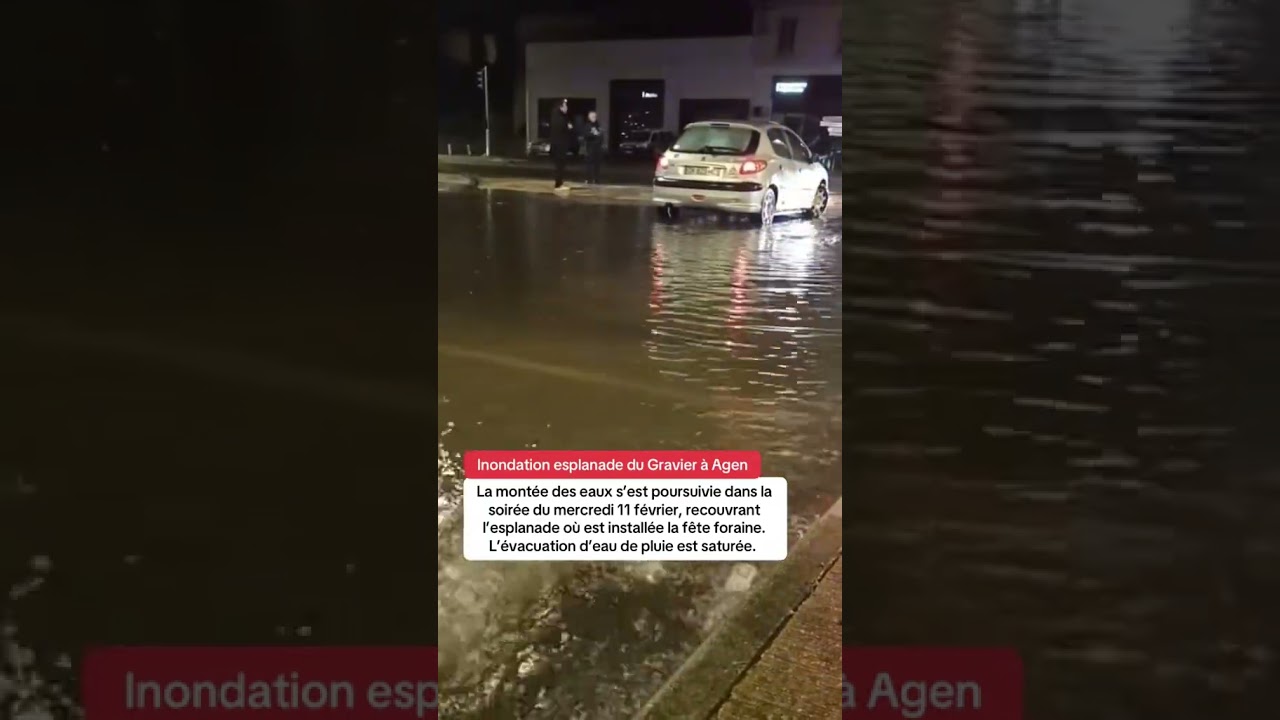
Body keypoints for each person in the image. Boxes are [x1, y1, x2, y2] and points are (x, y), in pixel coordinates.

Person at [549, 99, 573, 191]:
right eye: (565, 106)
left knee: (560, 165)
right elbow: (561, 128)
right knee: (559, 165)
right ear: (561, 107)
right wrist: (568, 127)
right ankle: (558, 185)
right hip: (559, 146)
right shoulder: (558, 117)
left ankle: (559, 183)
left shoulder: (559, 116)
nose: (567, 108)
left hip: (559, 145)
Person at [581, 110, 604, 185]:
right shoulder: (587, 125)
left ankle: (596, 179)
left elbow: (601, 135)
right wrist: (594, 134)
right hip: (590, 148)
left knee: (597, 164)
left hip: (597, 148)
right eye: (592, 116)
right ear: (589, 117)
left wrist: (599, 136)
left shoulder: (598, 125)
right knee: (589, 164)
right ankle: (588, 179)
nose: (594, 118)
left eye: (595, 116)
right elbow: (586, 135)